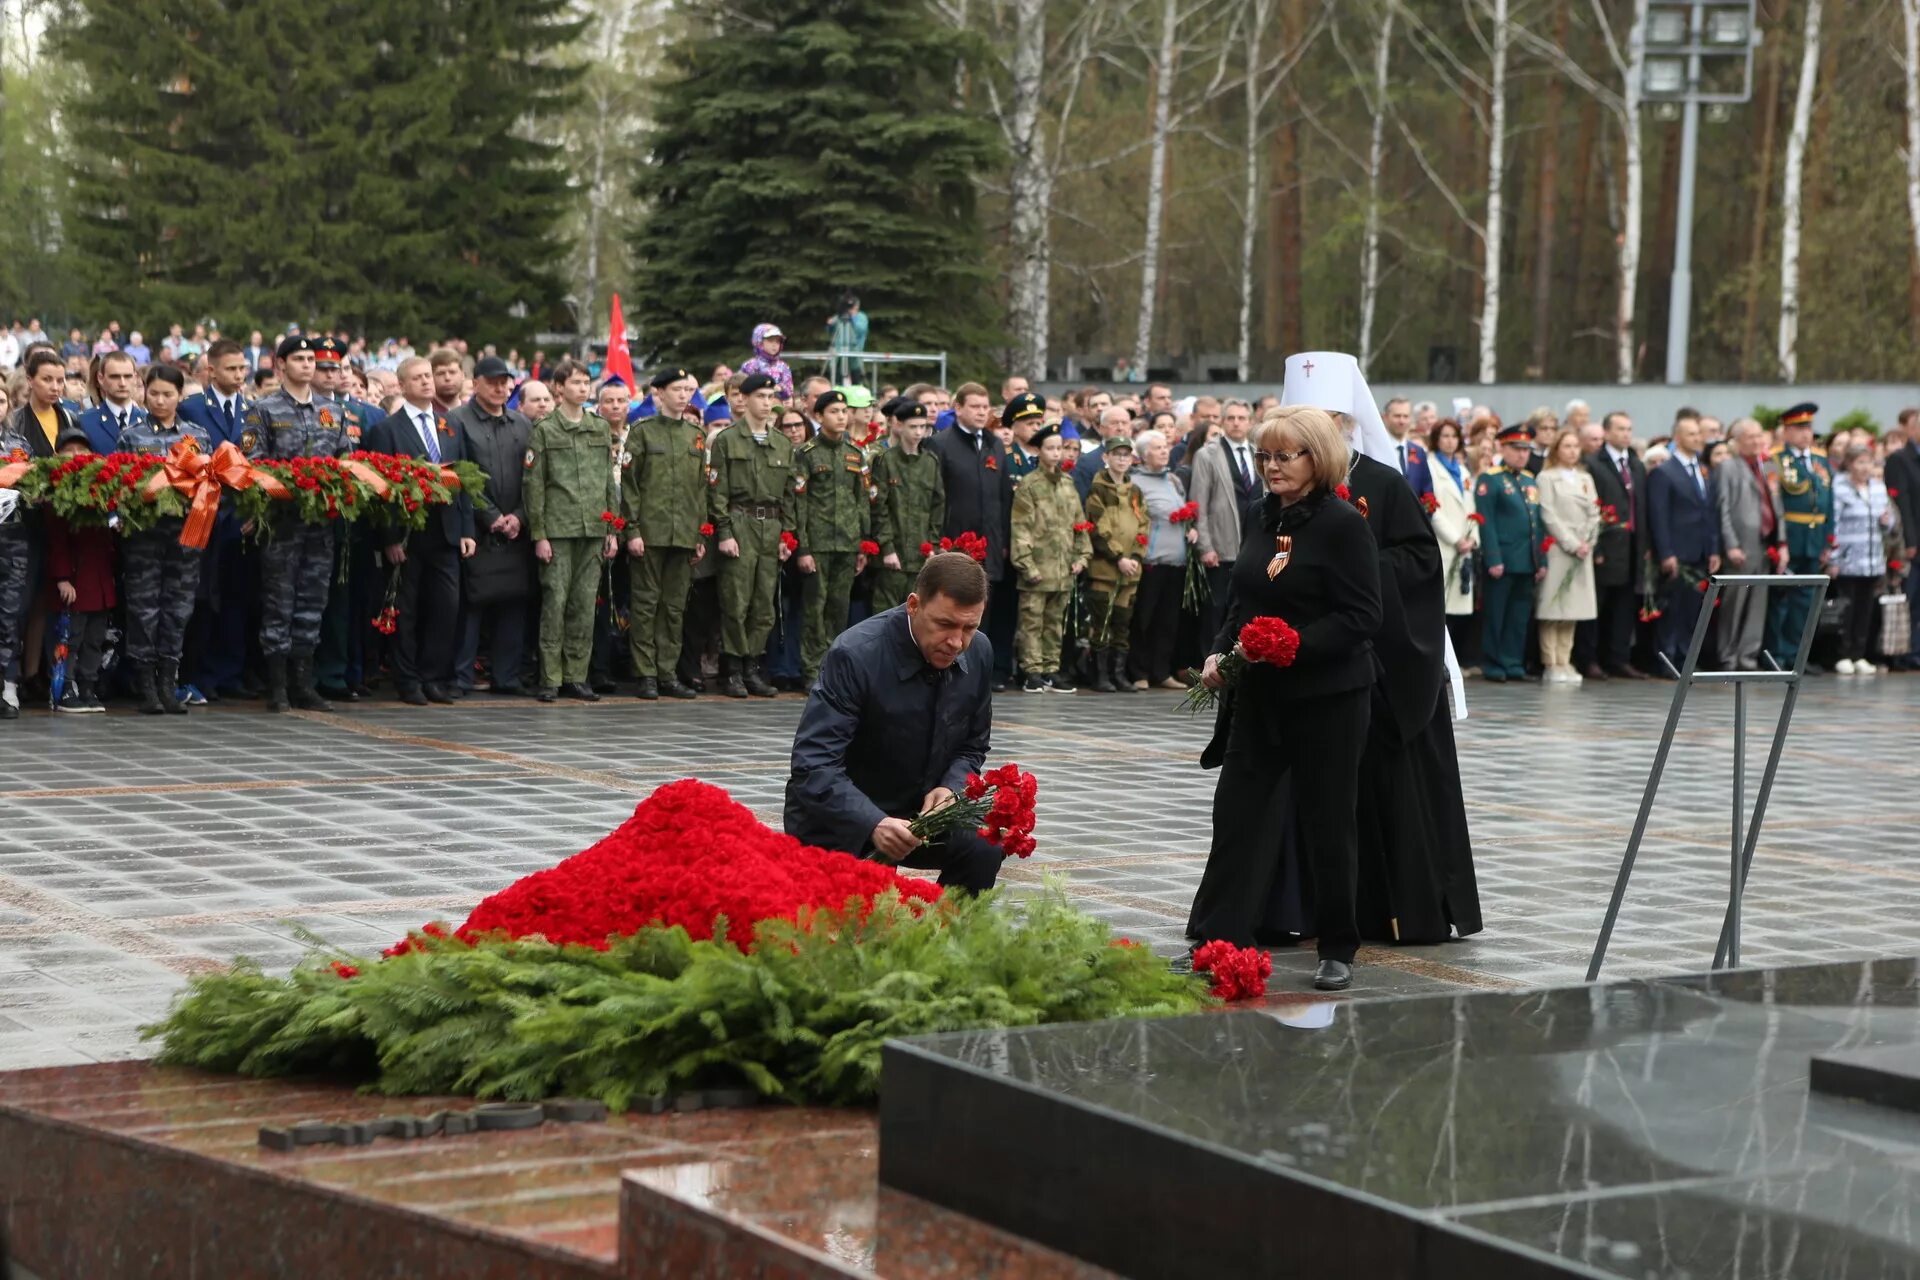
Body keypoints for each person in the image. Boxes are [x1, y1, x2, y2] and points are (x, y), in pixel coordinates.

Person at [1276, 353, 1479, 950]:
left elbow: (1419, 561)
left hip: (1376, 665)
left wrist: (1353, 571)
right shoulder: (1279, 486)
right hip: (1298, 665)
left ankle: (1387, 909)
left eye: (1327, 418)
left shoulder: (1379, 482)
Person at [1186, 407, 1382, 992]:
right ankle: (1221, 942)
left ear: (1316, 458)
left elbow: (1363, 616)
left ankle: (1338, 946)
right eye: (1265, 456)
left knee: (1327, 820)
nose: (1271, 467)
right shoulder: (1259, 515)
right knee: (1238, 816)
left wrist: (1297, 643)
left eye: (1284, 456)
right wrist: (1220, 653)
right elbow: (1242, 600)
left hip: (1329, 698)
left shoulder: (1344, 524)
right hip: (1261, 695)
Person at [784, 553, 1003, 892]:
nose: (957, 643)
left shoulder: (979, 652)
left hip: (920, 811)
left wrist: (950, 788)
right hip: (845, 814)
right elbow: (814, 765)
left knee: (983, 845)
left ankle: (950, 938)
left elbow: (972, 746)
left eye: (969, 628)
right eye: (944, 625)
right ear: (913, 606)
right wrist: (873, 821)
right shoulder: (856, 654)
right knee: (860, 922)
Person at [241, 333, 350, 713]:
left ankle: (304, 683)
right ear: (280, 364)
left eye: (311, 359)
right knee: (279, 602)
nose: (308, 364)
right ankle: (278, 686)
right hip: (281, 524)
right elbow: (254, 463)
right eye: (300, 358)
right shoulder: (264, 409)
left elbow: (344, 461)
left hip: (319, 524)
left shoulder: (332, 411)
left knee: (312, 602)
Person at [365, 357, 475, 705]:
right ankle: (407, 678)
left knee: (446, 607)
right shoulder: (388, 429)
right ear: (402, 385)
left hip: (446, 532)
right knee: (407, 610)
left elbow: (464, 479)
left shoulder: (450, 425)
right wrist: (390, 538)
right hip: (409, 535)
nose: (427, 382)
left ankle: (433, 676)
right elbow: (380, 489)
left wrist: (467, 529)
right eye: (418, 378)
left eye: (428, 375)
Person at [118, 364, 215, 714]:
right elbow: (121, 484)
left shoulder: (197, 436)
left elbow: (209, 483)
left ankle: (168, 681)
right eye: (154, 393)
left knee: (178, 609)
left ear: (180, 396)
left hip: (186, 537)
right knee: (144, 610)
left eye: (168, 394)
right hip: (144, 538)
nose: (160, 400)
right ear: (144, 392)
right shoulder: (131, 436)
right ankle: (145, 683)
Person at [526, 358, 617, 703]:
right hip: (559, 529)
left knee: (583, 605)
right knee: (555, 602)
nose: (583, 388)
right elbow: (534, 485)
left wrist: (612, 528)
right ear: (558, 388)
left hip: (593, 527)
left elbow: (608, 481)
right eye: (576, 382)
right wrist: (540, 535)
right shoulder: (546, 429)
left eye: (586, 382)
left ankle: (577, 675)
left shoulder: (599, 427)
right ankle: (550, 676)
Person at [621, 367, 708, 701]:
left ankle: (667, 672)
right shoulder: (642, 433)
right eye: (676, 389)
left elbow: (700, 488)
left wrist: (700, 534)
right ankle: (646, 673)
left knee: (674, 607)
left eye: (687, 389)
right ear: (659, 393)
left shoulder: (694, 435)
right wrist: (632, 530)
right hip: (650, 531)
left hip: (683, 533)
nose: (683, 395)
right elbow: (631, 486)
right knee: (645, 604)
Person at [450, 355, 534, 696]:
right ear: (476, 383)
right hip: (477, 530)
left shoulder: (522, 423)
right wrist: (491, 516)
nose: (500, 387)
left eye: (505, 381)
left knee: (513, 604)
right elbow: (460, 474)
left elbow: (533, 477)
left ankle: (507, 677)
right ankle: (460, 677)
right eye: (493, 381)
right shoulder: (457, 421)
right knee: (471, 606)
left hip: (515, 530)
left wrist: (519, 516)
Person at [709, 372, 798, 698]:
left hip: (770, 525)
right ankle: (732, 668)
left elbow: (790, 495)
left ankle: (752, 666)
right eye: (760, 396)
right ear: (743, 399)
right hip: (740, 521)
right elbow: (717, 493)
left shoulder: (782, 444)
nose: (766, 403)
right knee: (736, 599)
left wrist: (786, 537)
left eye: (770, 397)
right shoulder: (727, 440)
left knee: (764, 603)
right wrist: (724, 532)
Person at [925, 383, 1015, 689]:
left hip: (989, 542)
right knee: (953, 606)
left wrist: (1003, 541)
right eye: (974, 406)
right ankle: (948, 667)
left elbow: (1003, 497)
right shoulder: (941, 444)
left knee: (983, 609)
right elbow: (936, 497)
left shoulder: (994, 444)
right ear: (958, 407)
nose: (981, 412)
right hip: (955, 542)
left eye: (984, 406)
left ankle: (980, 672)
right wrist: (938, 541)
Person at [792, 389, 872, 684]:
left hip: (847, 542)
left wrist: (863, 542)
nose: (841, 416)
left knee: (840, 607)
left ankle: (833, 667)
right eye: (834, 412)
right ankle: (812, 668)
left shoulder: (855, 453)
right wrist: (803, 547)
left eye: (843, 411)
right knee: (815, 607)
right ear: (818, 416)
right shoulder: (807, 454)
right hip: (818, 542)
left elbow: (861, 499)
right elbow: (799, 502)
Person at [1008, 423, 1089, 693]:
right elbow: (1020, 528)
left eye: (1060, 448)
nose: (1057, 454)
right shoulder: (1029, 485)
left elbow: (1080, 524)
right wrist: (1026, 564)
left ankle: (1051, 668)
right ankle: (1031, 670)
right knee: (1032, 621)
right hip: (1038, 567)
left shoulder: (1068, 484)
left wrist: (1081, 556)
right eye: (1051, 448)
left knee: (1055, 622)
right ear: (1039, 451)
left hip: (1064, 567)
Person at [42, 427, 114, 714]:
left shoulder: (101, 488)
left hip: (100, 579)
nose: (76, 456)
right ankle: (64, 687)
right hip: (74, 580)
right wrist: (62, 578)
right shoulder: (56, 491)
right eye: (69, 450)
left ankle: (88, 685)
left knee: (96, 639)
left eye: (82, 450)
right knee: (70, 638)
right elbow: (56, 542)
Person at [1645, 413, 1722, 673]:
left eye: (1699, 434)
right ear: (1677, 437)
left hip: (1700, 550)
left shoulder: (1702, 470)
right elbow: (1659, 515)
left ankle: (1686, 658)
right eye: (1691, 434)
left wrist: (1713, 548)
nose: (1698, 438)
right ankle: (1667, 658)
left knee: (1692, 609)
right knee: (1673, 609)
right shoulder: (1664, 472)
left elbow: (1709, 512)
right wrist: (1666, 553)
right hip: (1678, 551)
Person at [1477, 424, 1547, 682]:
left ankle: (1512, 661)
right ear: (1502, 447)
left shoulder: (1529, 480)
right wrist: (1493, 557)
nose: (1522, 454)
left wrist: (1542, 558)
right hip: (1503, 559)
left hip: (1527, 559)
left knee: (1519, 616)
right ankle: (1494, 662)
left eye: (1526, 450)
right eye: (1516, 449)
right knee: (1497, 613)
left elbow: (1537, 523)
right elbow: (1487, 521)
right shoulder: (1491, 479)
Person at [1766, 404, 1834, 671]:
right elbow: (1776, 502)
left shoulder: (1820, 460)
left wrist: (1829, 539)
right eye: (1798, 429)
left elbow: (1829, 502)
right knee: (1782, 598)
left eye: (1808, 428)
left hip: (1815, 539)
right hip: (1791, 537)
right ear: (1786, 431)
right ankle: (1777, 655)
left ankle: (1797, 656)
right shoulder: (1776, 459)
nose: (1805, 434)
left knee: (1806, 600)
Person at [1583, 412, 1649, 679]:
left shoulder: (1635, 464)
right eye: (1620, 429)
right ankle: (1589, 658)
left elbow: (1642, 507)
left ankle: (1618, 658)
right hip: (1607, 544)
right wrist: (1596, 547)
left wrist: (1646, 544)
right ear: (1607, 432)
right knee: (1598, 603)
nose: (1626, 434)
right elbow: (1591, 507)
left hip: (1632, 544)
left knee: (1624, 605)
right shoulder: (1593, 463)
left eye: (1629, 429)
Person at [1125, 427, 1192, 691]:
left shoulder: (1173, 481)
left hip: (1176, 561)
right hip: (1150, 561)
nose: (1164, 451)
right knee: (1144, 618)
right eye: (1157, 447)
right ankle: (1138, 670)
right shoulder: (1134, 482)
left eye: (1165, 446)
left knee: (1168, 620)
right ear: (1142, 455)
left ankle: (1161, 671)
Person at [1188, 398, 1258, 647]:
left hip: (1253, 545)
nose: (1236, 423)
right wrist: (1205, 546)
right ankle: (1209, 663)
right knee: (1216, 608)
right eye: (1231, 418)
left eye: (1241, 418)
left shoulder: (1257, 453)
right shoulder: (1208, 454)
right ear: (1223, 421)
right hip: (1220, 545)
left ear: (1251, 422)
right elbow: (1199, 502)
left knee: (1247, 608)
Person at [1534, 426, 1600, 685]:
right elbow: (1548, 514)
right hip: (1559, 548)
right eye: (1567, 446)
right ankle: (1551, 661)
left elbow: (1595, 511)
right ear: (1556, 450)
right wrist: (1572, 543)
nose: (1572, 451)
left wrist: (1588, 540)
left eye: (1575, 446)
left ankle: (1566, 658)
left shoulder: (1585, 478)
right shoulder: (1547, 478)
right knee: (1554, 606)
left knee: (1574, 607)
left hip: (1582, 547)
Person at [1714, 419, 1780, 672]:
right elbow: (1723, 508)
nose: (1756, 441)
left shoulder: (1770, 465)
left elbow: (1778, 505)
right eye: (1750, 437)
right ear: (1738, 441)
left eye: (1759, 436)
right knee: (1735, 601)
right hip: (1741, 544)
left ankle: (1748, 655)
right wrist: (1730, 544)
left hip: (1766, 544)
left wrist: (1781, 541)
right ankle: (1728, 656)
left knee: (1757, 603)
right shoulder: (1728, 467)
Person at [1082, 434, 1145, 693]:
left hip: (1130, 571)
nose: (1121, 459)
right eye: (1116, 454)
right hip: (1105, 569)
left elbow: (1144, 524)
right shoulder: (1098, 489)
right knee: (1101, 622)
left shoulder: (1135, 490)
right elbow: (1098, 528)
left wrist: (1136, 557)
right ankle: (1100, 674)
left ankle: (1119, 674)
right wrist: (1119, 557)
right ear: (1105, 457)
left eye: (1126, 455)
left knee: (1122, 621)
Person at [869, 399, 944, 615]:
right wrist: (887, 548)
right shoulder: (886, 461)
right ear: (899, 426)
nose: (919, 432)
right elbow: (878, 508)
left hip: (921, 554)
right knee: (886, 614)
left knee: (918, 613)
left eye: (923, 427)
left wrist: (933, 544)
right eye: (913, 426)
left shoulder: (930, 462)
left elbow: (938, 507)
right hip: (894, 554)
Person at [1830, 445, 1896, 674]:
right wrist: (1833, 557)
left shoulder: (1878, 488)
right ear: (1849, 464)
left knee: (1865, 609)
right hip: (1848, 559)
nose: (1865, 467)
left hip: (1872, 560)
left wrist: (1887, 521)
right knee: (1846, 608)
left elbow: (1890, 524)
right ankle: (1842, 653)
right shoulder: (1839, 489)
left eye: (1868, 462)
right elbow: (1833, 524)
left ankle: (1859, 653)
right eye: (1860, 462)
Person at [1427, 419, 1480, 670]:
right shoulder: (1431, 467)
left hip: (1464, 545)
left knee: (1459, 608)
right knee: (1442, 607)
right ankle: (1440, 662)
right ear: (1436, 439)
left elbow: (1471, 508)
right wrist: (1456, 539)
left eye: (1454, 436)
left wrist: (1471, 537)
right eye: (1444, 436)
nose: (1449, 441)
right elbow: (1432, 508)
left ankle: (1453, 661)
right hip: (1446, 544)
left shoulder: (1463, 471)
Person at [1886, 409, 1920, 669]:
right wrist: (1909, 541)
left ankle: (1916, 650)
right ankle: (1901, 652)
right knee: (1907, 598)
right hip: (1914, 541)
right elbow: (1903, 503)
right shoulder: (1899, 459)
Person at [80, 350, 146, 454]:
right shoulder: (84, 422)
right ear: (101, 378)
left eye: (128, 376)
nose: (122, 383)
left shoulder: (149, 420)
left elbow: (155, 454)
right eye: (115, 377)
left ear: (135, 378)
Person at [1382, 397, 1433, 499]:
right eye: (1397, 416)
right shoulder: (1378, 450)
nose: (1402, 421)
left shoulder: (1419, 452)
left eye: (1406, 416)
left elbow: (1427, 491)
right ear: (1385, 417)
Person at [738, 323, 794, 403]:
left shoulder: (783, 366)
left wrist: (780, 388)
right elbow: (741, 387)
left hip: (778, 406)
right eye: (770, 341)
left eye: (778, 342)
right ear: (759, 342)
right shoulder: (750, 365)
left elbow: (789, 390)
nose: (774, 345)